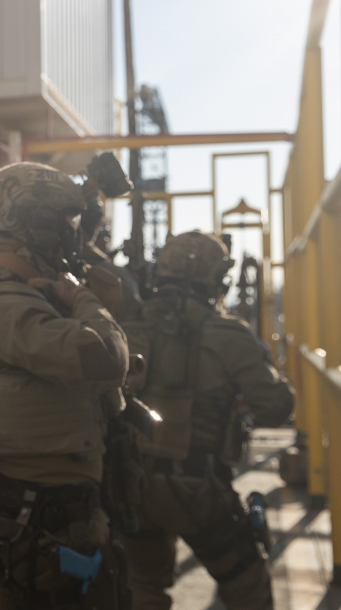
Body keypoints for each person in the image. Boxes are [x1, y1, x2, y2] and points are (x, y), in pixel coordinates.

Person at [0, 162, 132, 609]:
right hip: (47, 516)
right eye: (62, 226)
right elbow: (107, 360)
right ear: (36, 227)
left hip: (33, 511)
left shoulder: (1, 297)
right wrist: (89, 302)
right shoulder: (6, 305)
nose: (68, 238)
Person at [118, 231, 294, 610]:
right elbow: (276, 406)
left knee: (143, 588)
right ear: (217, 280)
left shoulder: (126, 326)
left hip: (131, 484)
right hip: (199, 487)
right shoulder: (228, 333)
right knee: (247, 584)